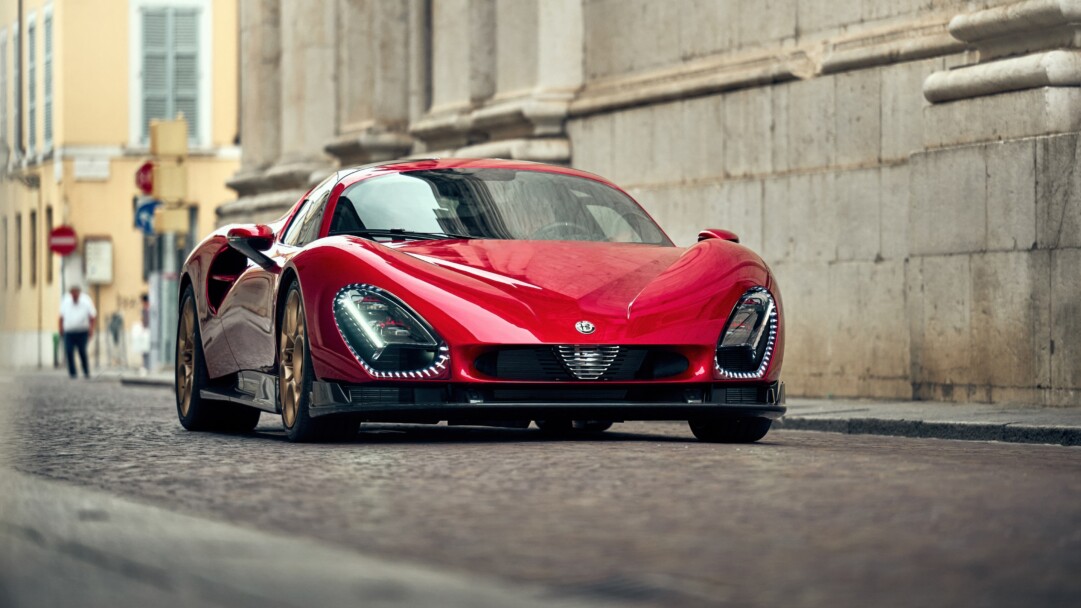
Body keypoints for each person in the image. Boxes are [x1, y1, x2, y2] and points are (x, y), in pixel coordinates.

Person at [59, 284, 96, 379]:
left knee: (82, 351)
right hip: (69, 331)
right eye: (72, 293)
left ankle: (86, 370)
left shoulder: (86, 300)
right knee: (69, 351)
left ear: (79, 293)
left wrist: (91, 329)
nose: (74, 295)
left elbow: (92, 316)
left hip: (82, 331)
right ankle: (72, 372)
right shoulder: (66, 301)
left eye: (76, 293)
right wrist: (61, 329)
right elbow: (61, 316)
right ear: (70, 294)